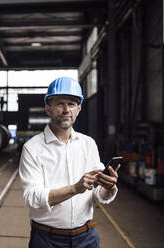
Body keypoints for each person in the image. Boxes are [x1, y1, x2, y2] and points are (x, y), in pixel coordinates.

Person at [19, 77, 120, 248]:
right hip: (47, 240)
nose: (66, 109)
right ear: (48, 109)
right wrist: (74, 189)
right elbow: (33, 198)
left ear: (79, 109)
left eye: (72, 104)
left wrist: (109, 188)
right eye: (60, 103)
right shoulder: (32, 148)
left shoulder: (88, 144)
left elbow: (99, 193)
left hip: (86, 238)